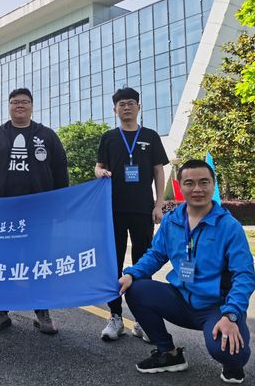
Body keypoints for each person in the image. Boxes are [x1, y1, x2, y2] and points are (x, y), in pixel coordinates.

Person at [119, 159, 255, 384]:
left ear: (213, 184)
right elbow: (156, 255)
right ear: (180, 186)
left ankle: (233, 363)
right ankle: (168, 353)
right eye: (189, 183)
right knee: (135, 289)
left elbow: (244, 276)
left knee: (231, 352)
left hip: (216, 307)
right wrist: (131, 273)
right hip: (181, 300)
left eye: (204, 182)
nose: (197, 189)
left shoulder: (229, 227)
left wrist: (231, 314)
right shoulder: (171, 221)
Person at [0, 87, 69, 335]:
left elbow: (61, 170)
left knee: (39, 261)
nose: (20, 105)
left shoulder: (47, 135)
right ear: (9, 106)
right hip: (2, 212)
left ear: (32, 106)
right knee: (2, 261)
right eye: (15, 102)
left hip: (38, 213)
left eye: (24, 102)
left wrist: (59, 204)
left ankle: (42, 312)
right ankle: (0, 312)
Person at [94, 87, 168, 341]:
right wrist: (100, 172)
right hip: (113, 210)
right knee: (112, 263)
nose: (126, 107)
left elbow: (158, 172)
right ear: (115, 110)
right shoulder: (109, 137)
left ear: (138, 107)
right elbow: (98, 167)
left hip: (142, 209)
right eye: (121, 104)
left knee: (142, 264)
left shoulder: (150, 136)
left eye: (131, 103)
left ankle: (141, 319)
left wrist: (158, 204)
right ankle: (115, 317)